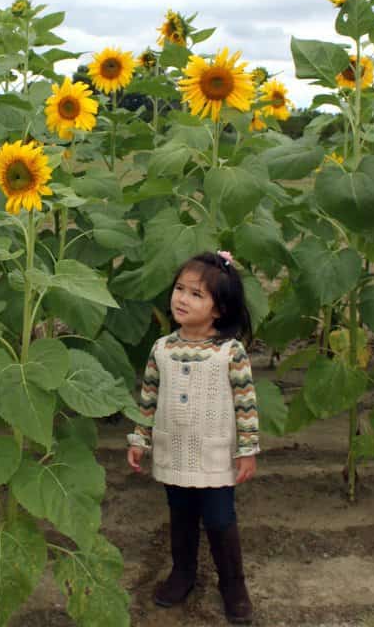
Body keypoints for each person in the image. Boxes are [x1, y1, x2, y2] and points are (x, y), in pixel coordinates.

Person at [126, 250, 260, 625]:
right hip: (173, 450)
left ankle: (233, 585)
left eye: (196, 294)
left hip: (215, 455)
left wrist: (247, 449)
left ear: (220, 309)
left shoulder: (229, 352)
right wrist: (139, 438)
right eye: (180, 289)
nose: (182, 299)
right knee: (180, 514)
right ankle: (183, 573)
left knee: (219, 519)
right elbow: (148, 398)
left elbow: (246, 404)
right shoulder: (162, 349)